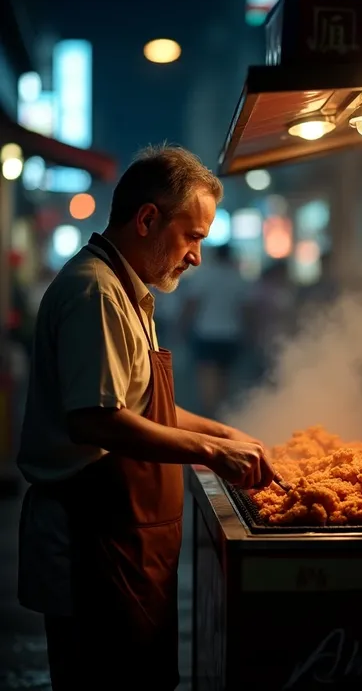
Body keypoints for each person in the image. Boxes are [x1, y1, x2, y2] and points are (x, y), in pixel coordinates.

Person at [16, 144, 275, 691]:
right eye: (193, 236)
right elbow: (97, 421)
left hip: (125, 544)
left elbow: (143, 405)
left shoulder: (129, 291)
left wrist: (225, 432)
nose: (197, 256)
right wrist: (212, 453)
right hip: (93, 544)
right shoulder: (97, 292)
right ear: (148, 218)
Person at [185, 243, 251, 417]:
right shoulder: (237, 278)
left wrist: (183, 327)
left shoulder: (204, 276)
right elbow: (245, 309)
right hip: (231, 333)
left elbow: (192, 305)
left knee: (207, 375)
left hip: (206, 332)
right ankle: (222, 410)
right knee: (225, 375)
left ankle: (210, 412)